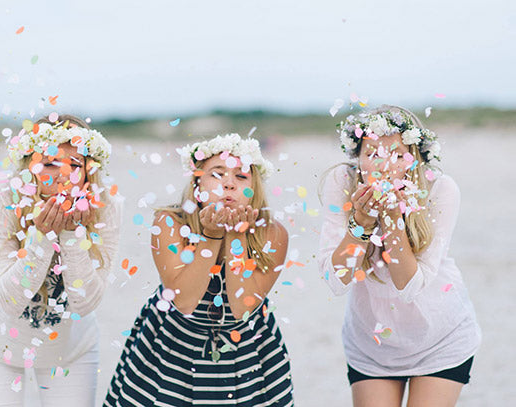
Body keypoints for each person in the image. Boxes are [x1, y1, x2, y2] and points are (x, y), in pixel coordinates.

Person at [104, 133, 294, 406]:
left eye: (241, 177)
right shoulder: (169, 222)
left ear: (255, 189)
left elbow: (242, 307)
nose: (229, 183)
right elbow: (183, 301)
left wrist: (237, 235)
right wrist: (212, 236)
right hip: (173, 342)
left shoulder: (272, 233)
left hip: (247, 346)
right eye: (217, 175)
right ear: (197, 183)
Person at [318, 105, 481, 406]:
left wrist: (392, 218)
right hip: (371, 344)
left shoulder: (440, 188)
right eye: (371, 153)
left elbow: (409, 287)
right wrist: (361, 225)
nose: (383, 163)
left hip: (440, 337)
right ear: (358, 157)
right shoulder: (343, 182)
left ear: (413, 157)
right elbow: (335, 280)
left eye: (395, 153)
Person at [0, 114, 122, 406]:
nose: (63, 174)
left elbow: (85, 303)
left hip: (69, 349)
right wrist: (42, 237)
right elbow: (10, 302)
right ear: (29, 165)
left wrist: (71, 235)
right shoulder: (2, 195)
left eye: (76, 164)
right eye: (49, 163)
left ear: (89, 170)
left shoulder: (105, 204)